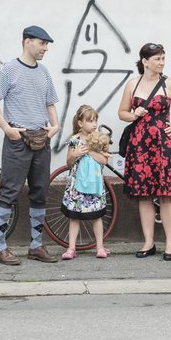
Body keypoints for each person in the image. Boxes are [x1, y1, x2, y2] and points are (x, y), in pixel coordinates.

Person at [0, 25, 61, 266]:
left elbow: (50, 102)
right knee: (9, 192)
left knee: (40, 191)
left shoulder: (44, 72)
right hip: (18, 139)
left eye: (47, 44)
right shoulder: (8, 70)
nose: (45, 48)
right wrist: (7, 129)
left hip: (41, 137)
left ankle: (36, 246)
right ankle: (0, 248)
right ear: (27, 41)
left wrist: (55, 125)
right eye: (42, 43)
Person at [118, 42, 171, 261]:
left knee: (166, 196)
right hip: (140, 145)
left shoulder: (169, 84)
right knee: (143, 196)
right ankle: (148, 242)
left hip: (162, 145)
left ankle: (170, 244)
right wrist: (134, 115)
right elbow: (122, 112)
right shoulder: (132, 84)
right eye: (157, 59)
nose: (162, 63)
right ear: (145, 62)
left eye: (163, 58)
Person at [60, 105, 111, 260]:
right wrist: (75, 154)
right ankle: (71, 248)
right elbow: (69, 163)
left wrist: (91, 151)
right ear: (80, 123)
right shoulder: (74, 140)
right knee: (75, 217)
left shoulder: (100, 139)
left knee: (96, 217)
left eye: (95, 120)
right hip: (77, 184)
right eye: (90, 121)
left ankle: (100, 247)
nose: (94, 124)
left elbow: (104, 160)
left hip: (94, 183)